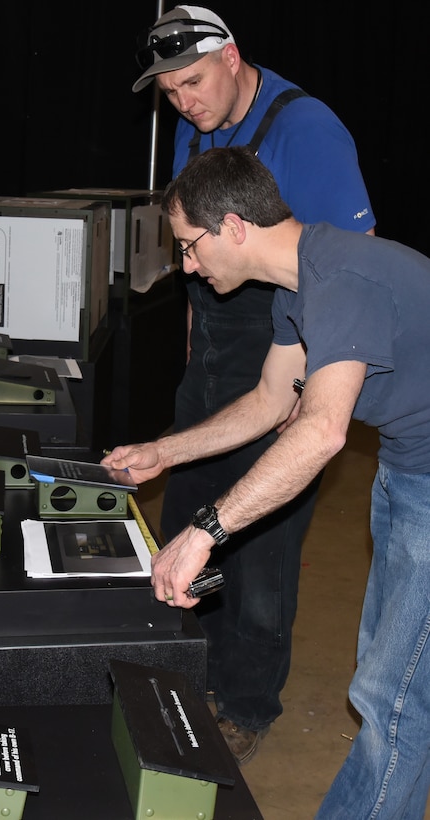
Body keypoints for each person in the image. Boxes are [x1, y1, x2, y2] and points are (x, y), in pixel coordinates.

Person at [103, 144, 430, 818]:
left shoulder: (341, 279)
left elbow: (319, 431)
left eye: (190, 247)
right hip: (408, 465)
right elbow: (270, 401)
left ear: (232, 227)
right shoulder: (297, 286)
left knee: (393, 702)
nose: (186, 266)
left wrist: (203, 532)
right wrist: (164, 451)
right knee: (392, 678)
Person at [131, 4, 375, 763]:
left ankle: (244, 703)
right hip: (215, 351)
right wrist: (193, 349)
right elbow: (194, 257)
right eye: (169, 93)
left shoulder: (307, 130)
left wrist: (305, 392)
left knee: (259, 539)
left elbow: (351, 269)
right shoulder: (191, 124)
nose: (184, 104)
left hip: (291, 349)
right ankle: (180, 672)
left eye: (194, 83)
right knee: (186, 509)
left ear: (232, 56)